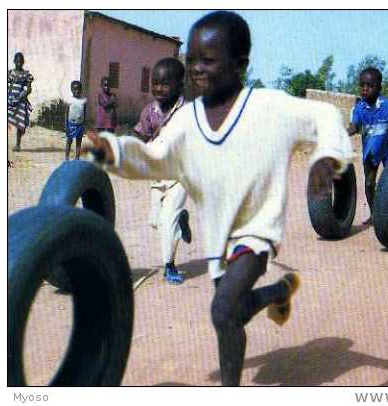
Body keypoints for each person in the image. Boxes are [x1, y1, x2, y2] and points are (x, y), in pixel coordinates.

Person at [84, 11, 354, 386]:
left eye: (207, 60)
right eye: (191, 59)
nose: (195, 68)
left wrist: (327, 155)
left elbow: (325, 115)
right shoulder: (187, 120)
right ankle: (278, 291)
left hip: (257, 231)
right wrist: (113, 151)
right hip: (218, 238)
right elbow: (156, 158)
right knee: (234, 309)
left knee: (223, 310)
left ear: (240, 63)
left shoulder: (269, 107)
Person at [132, 57, 192, 285]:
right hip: (157, 174)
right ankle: (181, 221)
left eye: (165, 84)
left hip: (180, 174)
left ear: (179, 86)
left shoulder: (188, 112)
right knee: (155, 220)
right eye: (155, 83)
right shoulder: (150, 111)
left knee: (167, 220)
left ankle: (170, 265)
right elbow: (141, 135)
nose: (158, 88)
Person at [347, 67, 388, 225]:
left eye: (370, 86)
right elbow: (354, 127)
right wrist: (343, 133)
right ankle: (374, 214)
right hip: (370, 151)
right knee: (370, 183)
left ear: (379, 88)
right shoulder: (358, 108)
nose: (365, 89)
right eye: (362, 85)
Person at [8, 52, 34, 154]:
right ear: (14, 62)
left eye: (20, 61)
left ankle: (18, 144)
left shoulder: (27, 74)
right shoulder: (10, 73)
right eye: (17, 61)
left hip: (21, 99)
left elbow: (29, 89)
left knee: (20, 122)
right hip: (9, 98)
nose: (19, 63)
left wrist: (21, 96)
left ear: (23, 62)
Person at [64, 80, 87, 160]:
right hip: (71, 124)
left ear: (81, 90)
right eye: (74, 89)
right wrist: (66, 125)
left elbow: (84, 112)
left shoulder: (83, 100)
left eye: (78, 89)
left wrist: (84, 124)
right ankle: (67, 157)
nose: (76, 91)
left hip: (80, 124)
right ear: (71, 90)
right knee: (69, 141)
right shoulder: (69, 100)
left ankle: (77, 157)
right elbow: (66, 113)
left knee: (78, 142)